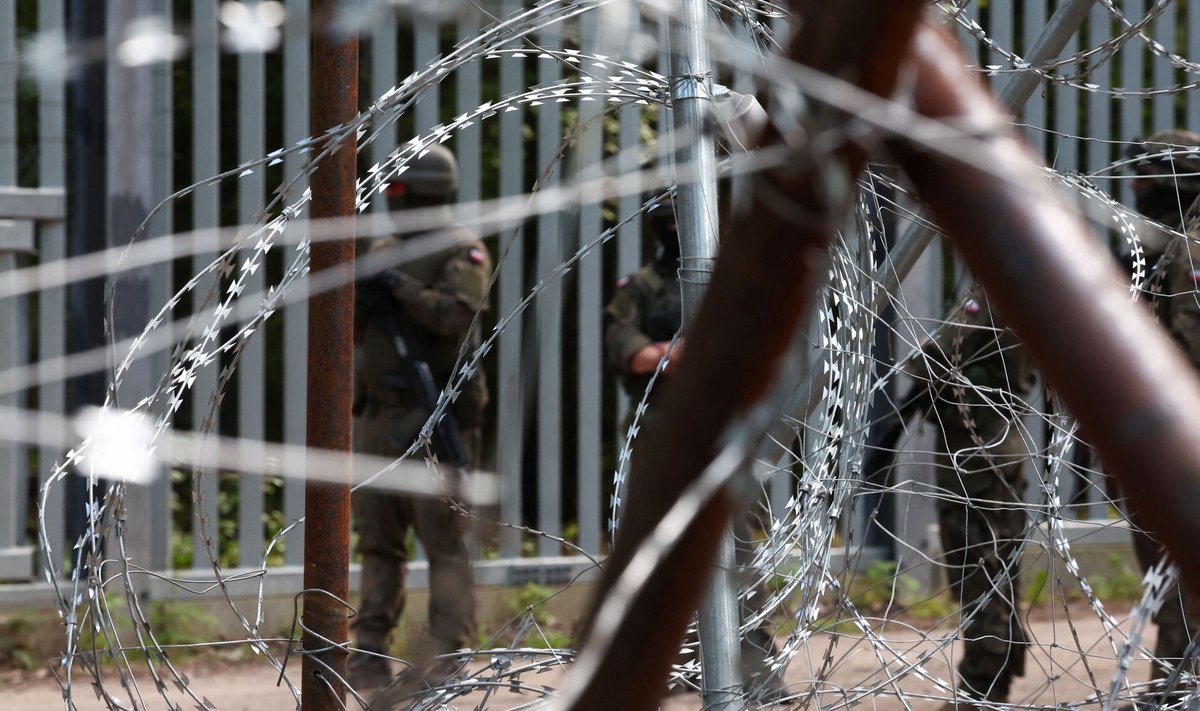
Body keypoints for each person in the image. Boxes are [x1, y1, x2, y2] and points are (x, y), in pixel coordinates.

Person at [603, 196, 784, 700]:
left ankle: (757, 667)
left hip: (722, 437)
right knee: (653, 553)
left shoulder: (732, 283)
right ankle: (665, 666)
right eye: (670, 223)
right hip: (658, 438)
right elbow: (628, 351)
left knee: (737, 550)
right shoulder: (638, 288)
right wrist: (676, 354)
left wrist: (674, 355)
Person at [348, 144, 492, 692]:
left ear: (422, 195)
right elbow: (359, 329)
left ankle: (447, 655)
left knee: (443, 540)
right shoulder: (383, 248)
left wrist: (395, 285)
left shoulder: (462, 251)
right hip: (379, 417)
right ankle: (368, 652)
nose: (389, 200)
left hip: (434, 419)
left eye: (397, 192)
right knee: (378, 540)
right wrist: (362, 288)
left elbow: (455, 315)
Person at [871, 292, 1035, 709]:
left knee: (979, 570)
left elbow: (931, 357)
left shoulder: (992, 292)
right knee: (995, 567)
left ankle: (983, 687)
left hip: (975, 451)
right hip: (993, 442)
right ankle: (992, 676)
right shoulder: (1023, 288)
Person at [1121, 129, 1200, 700]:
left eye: (1145, 175)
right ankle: (1176, 680)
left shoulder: (1186, 251)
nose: (1134, 187)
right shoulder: (1171, 247)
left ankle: (1178, 686)